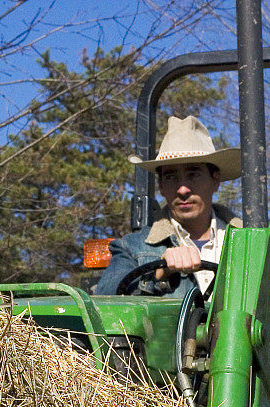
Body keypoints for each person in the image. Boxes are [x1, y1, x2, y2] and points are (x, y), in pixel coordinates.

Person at [96, 116, 242, 297]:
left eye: (193, 174)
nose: (182, 189)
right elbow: (103, 300)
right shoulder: (132, 248)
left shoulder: (252, 244)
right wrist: (157, 275)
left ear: (215, 180)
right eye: (171, 177)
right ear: (161, 187)